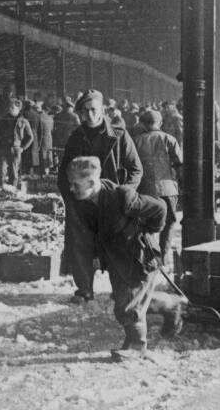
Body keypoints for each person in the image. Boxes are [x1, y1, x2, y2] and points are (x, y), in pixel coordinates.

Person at [65, 157, 182, 360]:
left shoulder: (123, 197)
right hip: (118, 261)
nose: (71, 188)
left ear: (92, 183)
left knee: (127, 305)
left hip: (140, 258)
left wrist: (151, 230)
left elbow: (160, 208)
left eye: (76, 184)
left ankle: (137, 346)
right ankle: (171, 305)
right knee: (129, 299)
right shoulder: (86, 203)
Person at [57, 89, 144, 303]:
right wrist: (70, 195)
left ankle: (120, 288)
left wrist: (124, 193)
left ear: (102, 109)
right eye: (84, 111)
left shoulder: (120, 136)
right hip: (83, 202)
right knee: (81, 244)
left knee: (117, 244)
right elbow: (63, 171)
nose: (89, 115)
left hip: (112, 201)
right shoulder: (76, 137)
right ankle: (84, 289)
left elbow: (136, 169)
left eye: (93, 109)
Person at [133, 110, 183, 269]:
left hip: (144, 190)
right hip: (167, 189)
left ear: (143, 124)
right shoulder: (169, 139)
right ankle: (163, 256)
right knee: (169, 223)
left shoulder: (135, 141)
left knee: (146, 224)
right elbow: (179, 165)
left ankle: (149, 257)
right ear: (160, 123)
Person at [0, 98, 34, 188]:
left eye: (12, 107)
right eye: (9, 107)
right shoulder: (3, 119)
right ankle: (0, 190)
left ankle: (12, 192)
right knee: (1, 171)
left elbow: (31, 137)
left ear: (18, 108)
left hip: (15, 150)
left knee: (14, 173)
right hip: (3, 149)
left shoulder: (24, 121)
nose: (10, 109)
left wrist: (23, 148)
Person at [22, 101, 42, 175]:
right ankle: (32, 173)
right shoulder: (37, 114)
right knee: (33, 156)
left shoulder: (23, 114)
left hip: (25, 136)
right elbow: (40, 130)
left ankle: (25, 173)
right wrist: (39, 143)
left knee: (25, 155)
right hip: (35, 137)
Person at [38, 104, 55, 175]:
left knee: (43, 153)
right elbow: (52, 129)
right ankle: (47, 170)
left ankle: (43, 170)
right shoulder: (50, 118)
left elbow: (39, 130)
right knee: (48, 153)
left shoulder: (40, 117)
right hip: (49, 138)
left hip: (42, 137)